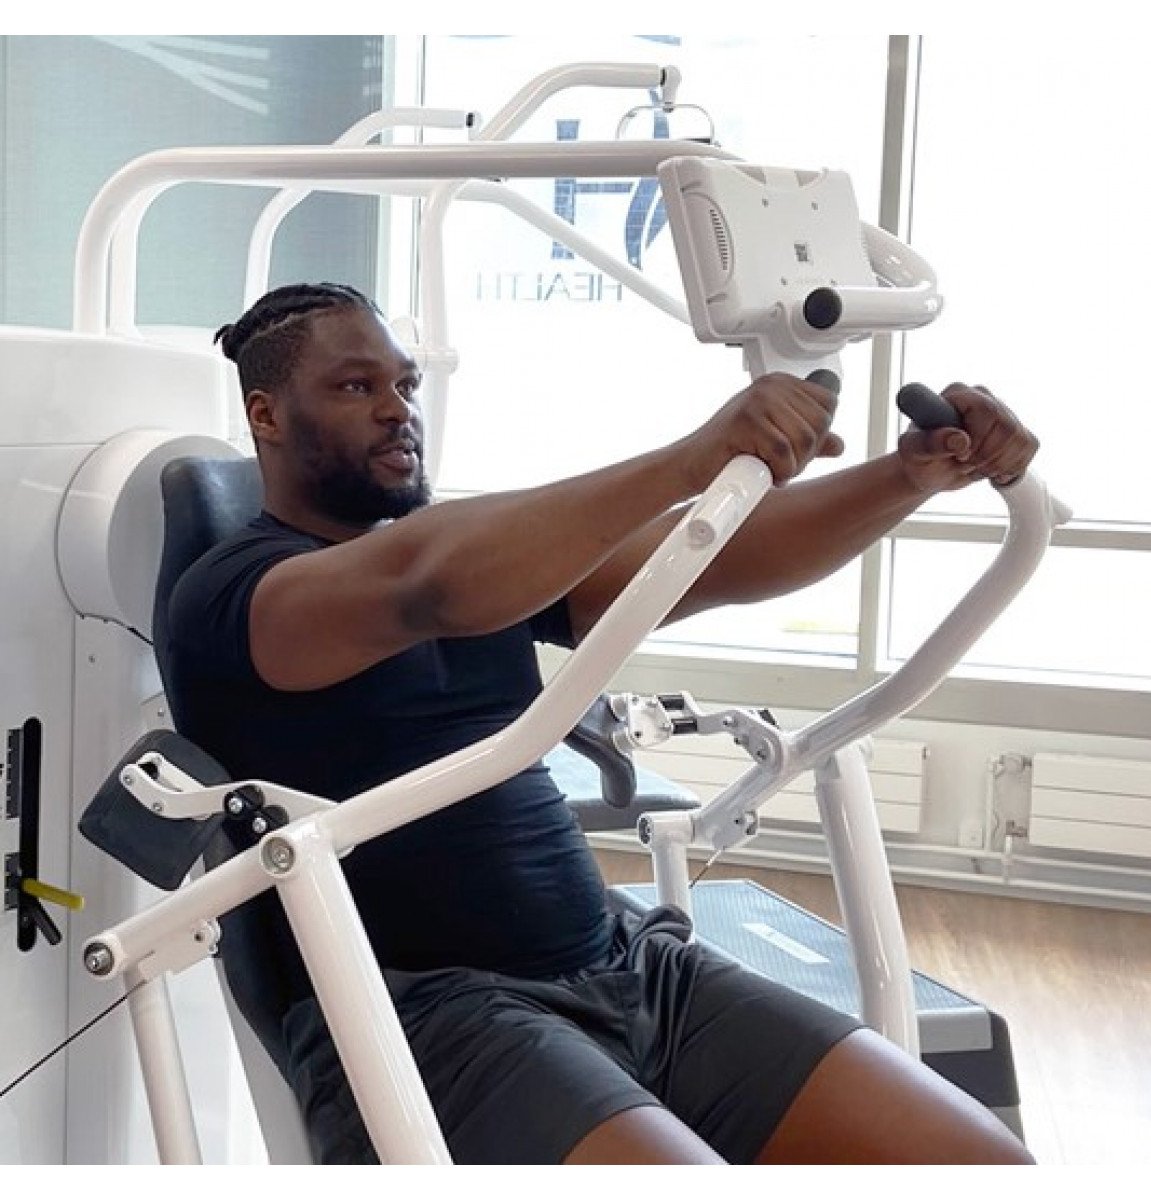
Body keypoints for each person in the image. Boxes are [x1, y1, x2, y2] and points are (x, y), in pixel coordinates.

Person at [162, 281, 1039, 1166]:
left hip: (630, 966)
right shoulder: (238, 594)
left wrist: (910, 476)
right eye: (357, 387)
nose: (397, 409)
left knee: (985, 1163)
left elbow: (706, 557)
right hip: (435, 1017)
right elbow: (422, 586)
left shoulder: (477, 560)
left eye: (405, 384)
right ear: (266, 416)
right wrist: (692, 457)